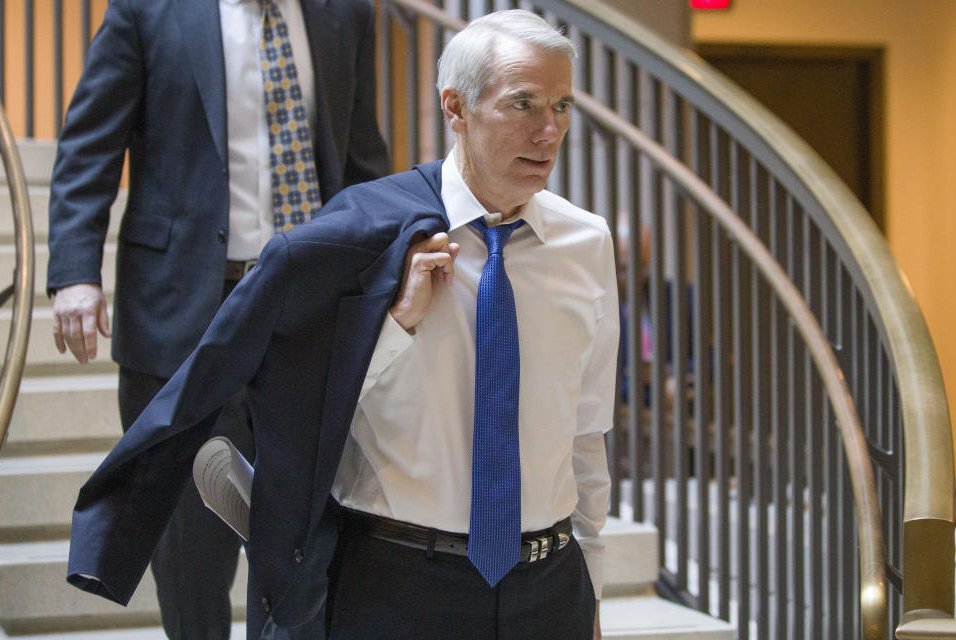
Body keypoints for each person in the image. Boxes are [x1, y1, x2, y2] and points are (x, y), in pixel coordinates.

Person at [65, 9, 618, 640]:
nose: (549, 131)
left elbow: (587, 435)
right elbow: (312, 410)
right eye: (523, 104)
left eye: (564, 106)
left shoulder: (585, 242)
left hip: (548, 586)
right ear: (456, 108)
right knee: (219, 554)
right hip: (398, 572)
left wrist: (591, 589)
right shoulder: (381, 242)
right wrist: (395, 317)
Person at [47, 1, 388, 638]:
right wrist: (75, 273)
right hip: (185, 317)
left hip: (310, 315)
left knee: (302, 548)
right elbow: (90, 145)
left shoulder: (347, 13)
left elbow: (362, 161)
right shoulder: (150, 11)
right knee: (191, 550)